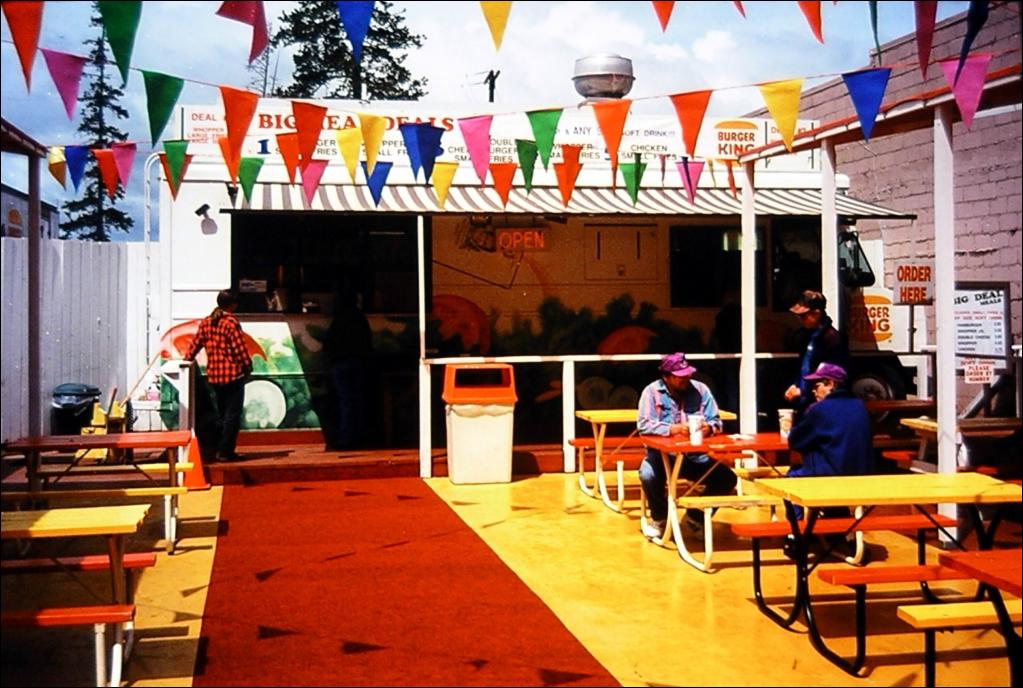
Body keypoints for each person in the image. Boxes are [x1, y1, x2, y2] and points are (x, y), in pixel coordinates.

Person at [636, 352, 735, 540]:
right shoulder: (651, 392)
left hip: (694, 456)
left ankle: (695, 517)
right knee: (648, 475)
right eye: (679, 376)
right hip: (661, 456)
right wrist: (671, 429)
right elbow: (643, 425)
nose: (685, 379)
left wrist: (709, 428)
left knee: (727, 478)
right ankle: (660, 519)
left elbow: (716, 421)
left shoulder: (701, 390)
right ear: (666, 377)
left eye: (687, 374)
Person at [785, 362, 874, 558]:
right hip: (862, 478)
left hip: (828, 478)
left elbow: (795, 441)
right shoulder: (860, 406)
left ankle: (795, 537)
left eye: (816, 385)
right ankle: (847, 535)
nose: (813, 390)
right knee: (832, 471)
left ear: (830, 384)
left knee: (791, 479)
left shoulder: (820, 410)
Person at [185, 289, 253, 462]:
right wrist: (248, 367)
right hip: (233, 375)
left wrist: (186, 360)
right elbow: (239, 350)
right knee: (232, 415)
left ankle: (218, 447)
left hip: (214, 376)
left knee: (222, 414)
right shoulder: (231, 323)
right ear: (233, 305)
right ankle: (225, 451)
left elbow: (195, 345)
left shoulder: (206, 322)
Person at [784, 290, 849, 421]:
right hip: (804, 400)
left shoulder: (832, 338)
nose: (800, 320)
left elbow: (833, 375)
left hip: (822, 401)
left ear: (816, 313)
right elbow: (802, 365)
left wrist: (804, 391)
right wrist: (795, 384)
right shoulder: (805, 335)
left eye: (803, 316)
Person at [324, 289, 373, 450]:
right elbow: (367, 341)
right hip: (358, 362)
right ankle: (359, 437)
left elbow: (329, 342)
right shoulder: (360, 318)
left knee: (346, 401)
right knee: (357, 400)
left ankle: (346, 439)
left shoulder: (338, 319)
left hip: (341, 363)